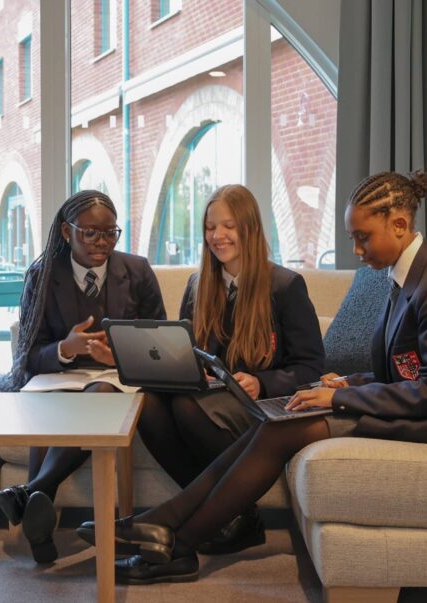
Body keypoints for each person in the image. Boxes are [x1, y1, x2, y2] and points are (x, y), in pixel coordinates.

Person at [78, 170, 427, 585]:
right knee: (275, 421)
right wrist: (350, 382)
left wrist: (336, 399)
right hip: (422, 405)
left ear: (400, 225)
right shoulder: (408, 279)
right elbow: (400, 372)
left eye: (363, 237)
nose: (356, 249)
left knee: (280, 428)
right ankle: (168, 531)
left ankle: (173, 538)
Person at [83, 183, 325, 555]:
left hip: (260, 407)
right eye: (211, 227)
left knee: (185, 407)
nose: (217, 236)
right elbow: (186, 351)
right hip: (209, 396)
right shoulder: (199, 285)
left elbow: (311, 367)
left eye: (228, 226)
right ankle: (232, 517)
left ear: (250, 229)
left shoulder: (286, 286)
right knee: (146, 403)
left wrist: (261, 381)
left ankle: (210, 517)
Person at [0, 189, 166, 563]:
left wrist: (116, 354)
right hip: (60, 380)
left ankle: (34, 492)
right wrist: (65, 349)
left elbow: (161, 346)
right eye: (90, 233)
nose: (102, 242)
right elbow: (29, 355)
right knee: (48, 412)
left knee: (99, 394)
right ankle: (37, 509)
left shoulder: (137, 272)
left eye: (110, 233)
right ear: (67, 232)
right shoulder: (42, 275)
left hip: (116, 379)